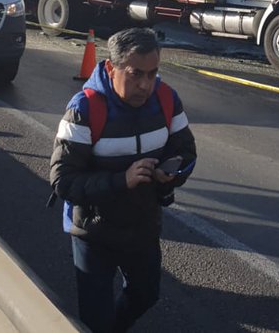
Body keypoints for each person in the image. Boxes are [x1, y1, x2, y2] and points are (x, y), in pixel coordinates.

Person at [50, 27, 197, 332]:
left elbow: (186, 151)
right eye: (135, 74)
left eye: (152, 73)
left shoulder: (167, 99)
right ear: (110, 68)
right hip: (93, 232)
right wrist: (122, 180)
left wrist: (170, 176)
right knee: (96, 320)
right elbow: (63, 181)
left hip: (142, 224)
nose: (145, 85)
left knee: (146, 295)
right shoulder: (84, 109)